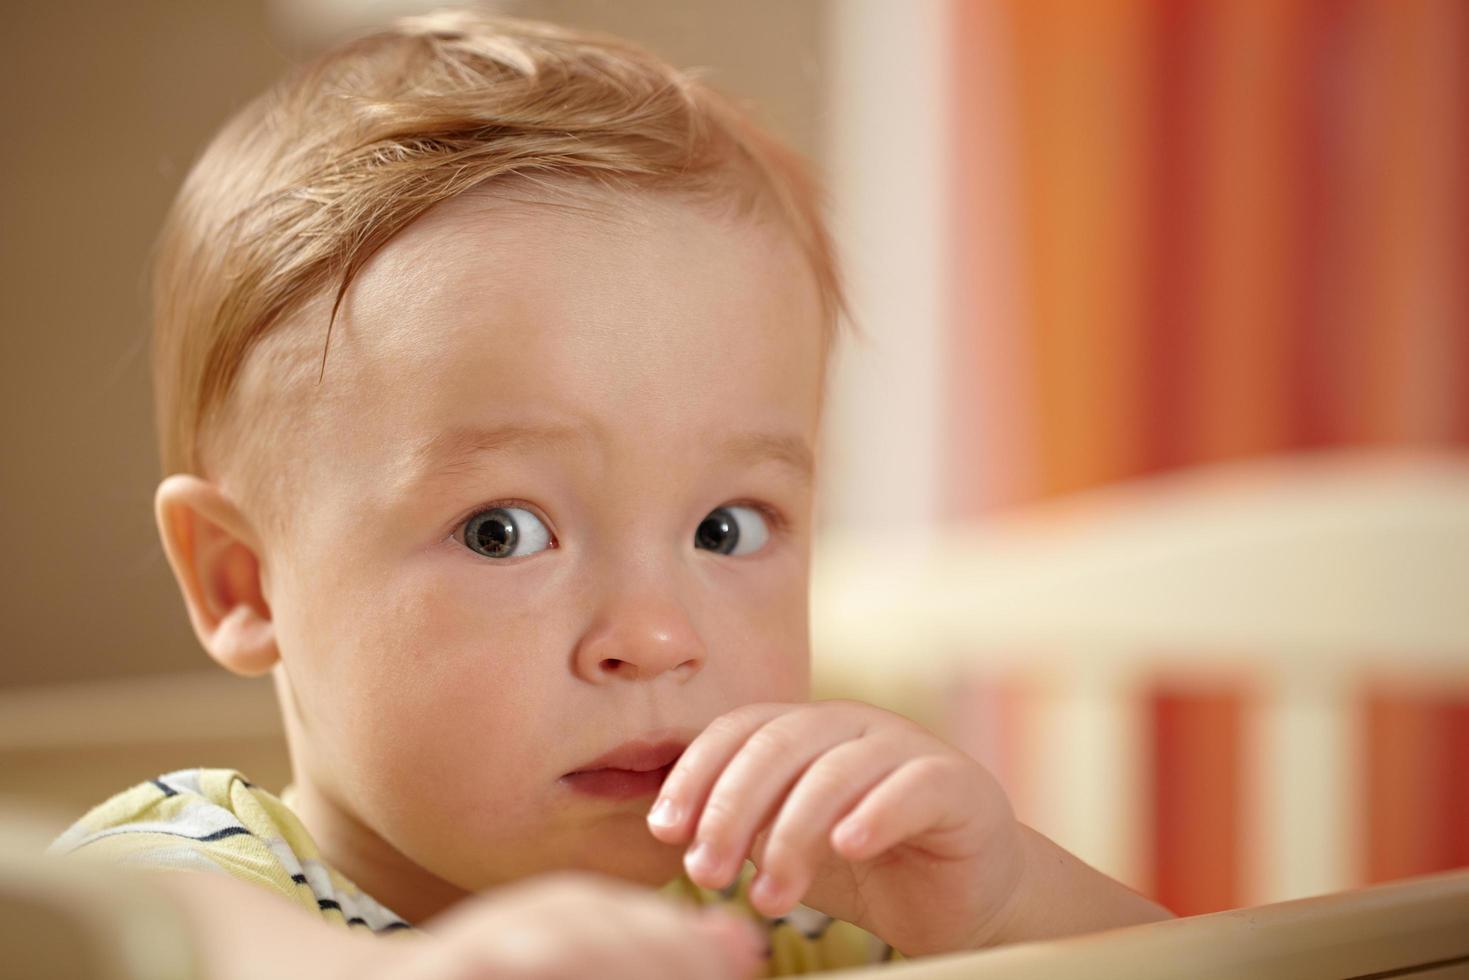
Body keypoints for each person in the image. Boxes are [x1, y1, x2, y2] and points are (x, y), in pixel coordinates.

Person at [48, 8, 1171, 978]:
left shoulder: (776, 904)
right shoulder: (196, 870)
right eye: (503, 530)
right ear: (244, 580)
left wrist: (1010, 905)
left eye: (726, 527)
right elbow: (166, 938)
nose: (656, 634)